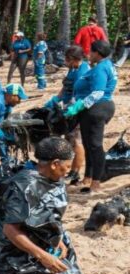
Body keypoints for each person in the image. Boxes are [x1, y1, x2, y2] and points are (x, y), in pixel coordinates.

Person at [0, 137, 75, 274]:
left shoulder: (54, 180)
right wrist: (43, 256)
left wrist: (58, 240)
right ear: (55, 164)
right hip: (15, 258)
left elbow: (47, 216)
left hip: (41, 252)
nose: (69, 170)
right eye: (68, 166)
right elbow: (10, 229)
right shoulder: (24, 186)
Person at [65, 39, 117, 194]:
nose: (88, 54)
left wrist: (78, 106)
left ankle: (96, 182)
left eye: (91, 51)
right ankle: (88, 177)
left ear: (97, 53)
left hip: (97, 108)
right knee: (88, 145)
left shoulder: (101, 68)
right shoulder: (105, 65)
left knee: (95, 145)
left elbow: (98, 92)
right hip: (94, 108)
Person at [50, 45, 89, 185]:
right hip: (67, 106)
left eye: (66, 60)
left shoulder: (83, 71)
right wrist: (56, 99)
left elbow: (79, 92)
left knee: (76, 141)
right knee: (69, 140)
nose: (65, 62)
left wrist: (72, 108)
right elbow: (66, 86)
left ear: (73, 59)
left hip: (76, 108)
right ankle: (69, 170)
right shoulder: (73, 69)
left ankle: (75, 172)